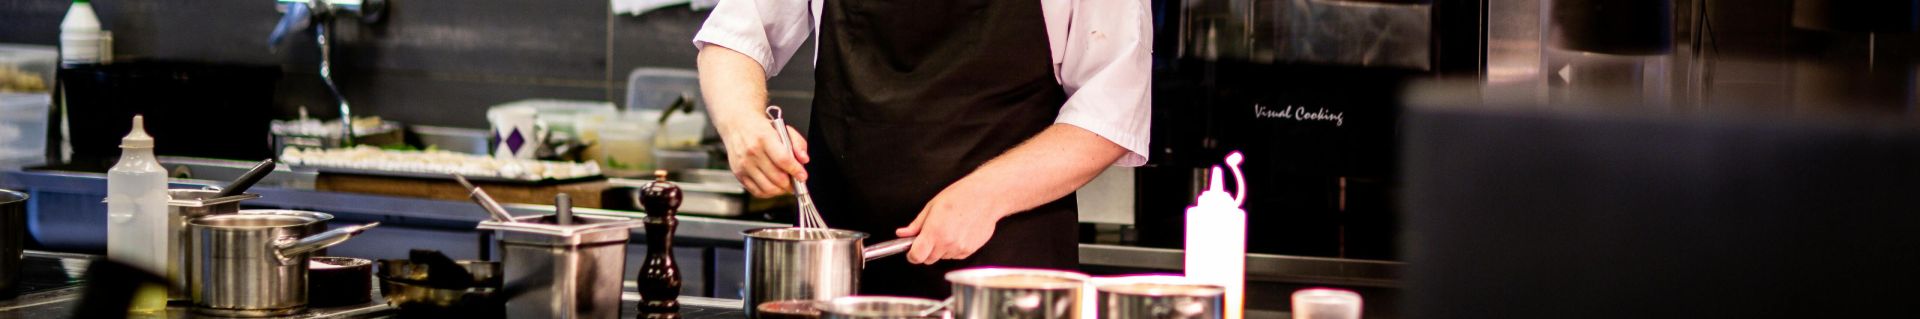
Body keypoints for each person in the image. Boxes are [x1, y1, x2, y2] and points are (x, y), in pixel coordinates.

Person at [692, 0, 1151, 298]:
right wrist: (742, 123)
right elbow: (733, 37)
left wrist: (987, 194)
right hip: (840, 271)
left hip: (1002, 277)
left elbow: (1110, 110)